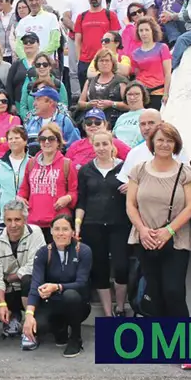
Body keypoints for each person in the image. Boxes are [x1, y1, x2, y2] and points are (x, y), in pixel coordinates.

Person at [125, 122, 191, 369]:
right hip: (144, 239)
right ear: (152, 143)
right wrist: (144, 231)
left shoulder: (186, 172)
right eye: (160, 140)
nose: (165, 144)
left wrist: (168, 231)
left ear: (175, 143)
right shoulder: (139, 170)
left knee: (174, 291)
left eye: (169, 140)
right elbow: (131, 205)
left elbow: (190, 207)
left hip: (175, 240)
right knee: (153, 292)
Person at [75, 131, 130, 317]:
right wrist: (77, 224)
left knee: (121, 267)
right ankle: (108, 313)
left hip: (119, 224)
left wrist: (133, 187)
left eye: (105, 144)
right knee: (99, 269)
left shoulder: (124, 168)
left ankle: (120, 308)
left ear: (111, 144)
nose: (101, 148)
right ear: (92, 146)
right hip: (93, 225)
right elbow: (82, 201)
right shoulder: (85, 170)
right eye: (97, 145)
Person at [22, 215, 92, 355]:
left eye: (65, 229)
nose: (60, 233)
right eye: (57, 229)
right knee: (39, 327)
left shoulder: (83, 251)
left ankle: (75, 338)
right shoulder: (43, 252)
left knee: (70, 295)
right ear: (51, 231)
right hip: (52, 302)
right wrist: (29, 315)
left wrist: (57, 287)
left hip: (77, 303)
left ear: (72, 232)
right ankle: (59, 328)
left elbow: (81, 283)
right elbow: (35, 284)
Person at [0, 199, 45, 340]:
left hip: (31, 289)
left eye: (17, 219)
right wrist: (1, 303)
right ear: (3, 220)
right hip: (9, 290)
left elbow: (33, 265)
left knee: (27, 279)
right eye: (9, 220)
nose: (13, 225)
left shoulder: (36, 233)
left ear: (25, 219)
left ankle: (30, 325)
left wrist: (10, 277)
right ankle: (13, 317)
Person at [17, 123, 78, 243]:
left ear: (58, 142)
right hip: (34, 221)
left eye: (51, 139)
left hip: (58, 222)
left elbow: (74, 191)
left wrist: (67, 198)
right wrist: (20, 197)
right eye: (42, 139)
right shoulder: (31, 163)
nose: (46, 142)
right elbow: (24, 189)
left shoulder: (67, 164)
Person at [117, 109, 190, 184]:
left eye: (151, 123)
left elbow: (185, 178)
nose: (147, 128)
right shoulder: (134, 152)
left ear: (162, 123)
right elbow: (125, 179)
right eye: (143, 124)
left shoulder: (175, 149)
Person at [74, 0, 121, 93]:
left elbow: (115, 40)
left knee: (105, 93)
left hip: (105, 61)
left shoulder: (110, 15)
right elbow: (77, 40)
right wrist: (79, 59)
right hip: (85, 61)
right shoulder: (82, 16)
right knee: (85, 93)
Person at [130, 17, 172, 110]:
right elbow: (137, 74)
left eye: (146, 30)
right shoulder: (135, 53)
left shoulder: (162, 47)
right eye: (141, 30)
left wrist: (166, 93)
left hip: (158, 92)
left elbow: (167, 73)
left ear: (152, 31)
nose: (144, 33)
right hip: (142, 94)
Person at [77, 50, 128, 127]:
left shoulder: (121, 81)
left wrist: (112, 104)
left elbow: (129, 105)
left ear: (112, 63)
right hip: (92, 122)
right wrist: (89, 104)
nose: (104, 63)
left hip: (114, 121)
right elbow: (80, 103)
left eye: (107, 60)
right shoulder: (90, 81)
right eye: (101, 61)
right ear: (97, 63)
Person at [65, 108, 131, 167]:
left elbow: (133, 159)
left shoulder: (114, 143)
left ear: (105, 124)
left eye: (97, 122)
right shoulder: (76, 145)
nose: (93, 125)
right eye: (89, 123)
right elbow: (65, 166)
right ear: (84, 126)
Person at [24, 87, 80, 154]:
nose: (34, 104)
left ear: (50, 102)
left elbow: (76, 150)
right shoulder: (32, 122)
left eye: (38, 100)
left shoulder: (65, 122)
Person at [112, 82, 149, 148]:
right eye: (129, 94)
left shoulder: (149, 114)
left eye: (137, 94)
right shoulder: (122, 117)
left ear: (143, 96)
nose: (132, 97)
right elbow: (113, 137)